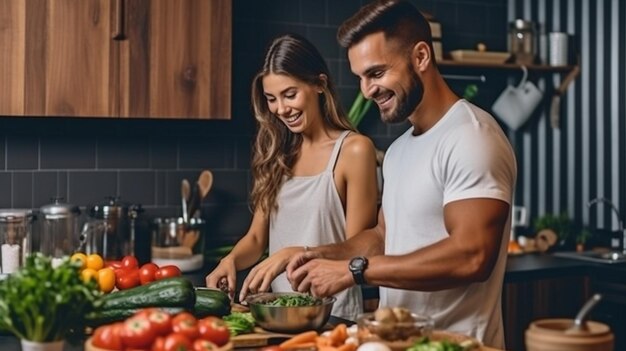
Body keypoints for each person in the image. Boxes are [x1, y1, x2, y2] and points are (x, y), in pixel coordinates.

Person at [286, 0, 516, 348]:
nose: (367, 90)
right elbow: (383, 236)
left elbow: (472, 255)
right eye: (360, 78)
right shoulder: (398, 151)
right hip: (400, 342)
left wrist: (354, 271)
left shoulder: (471, 136)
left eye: (376, 73)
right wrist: (329, 254)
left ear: (421, 57)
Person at [205, 33, 379, 320]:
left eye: (290, 94)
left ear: (320, 85)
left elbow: (358, 250)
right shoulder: (278, 153)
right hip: (276, 314)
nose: (281, 109)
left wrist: (295, 253)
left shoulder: (354, 150)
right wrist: (231, 261)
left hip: (333, 315)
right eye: (271, 99)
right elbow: (256, 238)